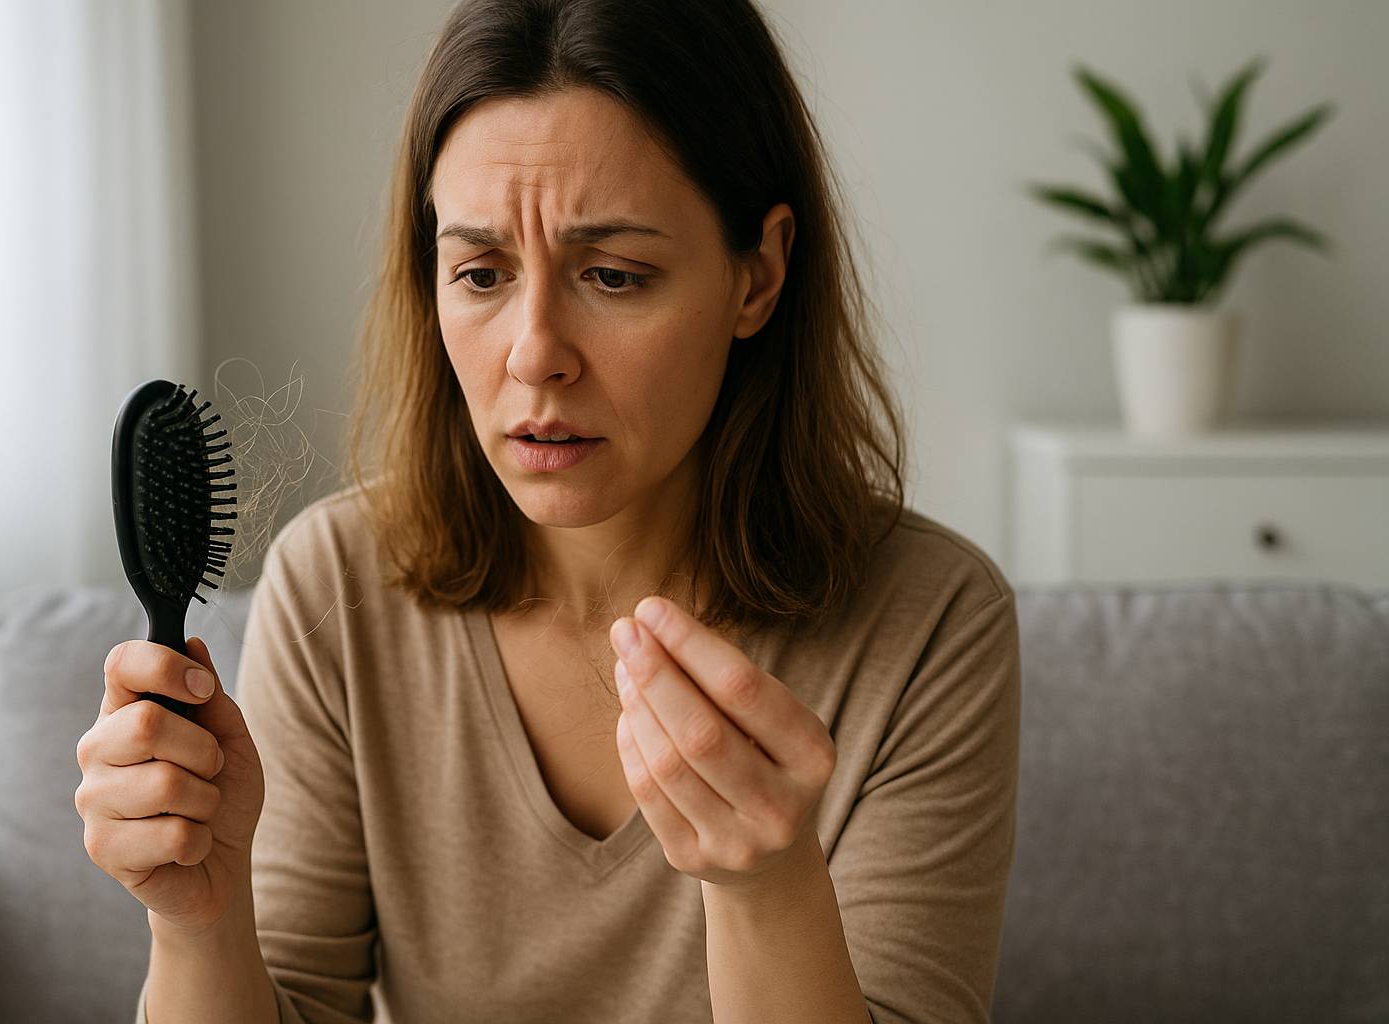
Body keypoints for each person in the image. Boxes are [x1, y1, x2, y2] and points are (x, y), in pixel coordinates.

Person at [76, 1, 1021, 1021]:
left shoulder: (932, 623)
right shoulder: (335, 585)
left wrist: (766, 888)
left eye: (614, 275)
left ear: (758, 275)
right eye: (480, 273)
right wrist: (198, 923)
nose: (534, 354)